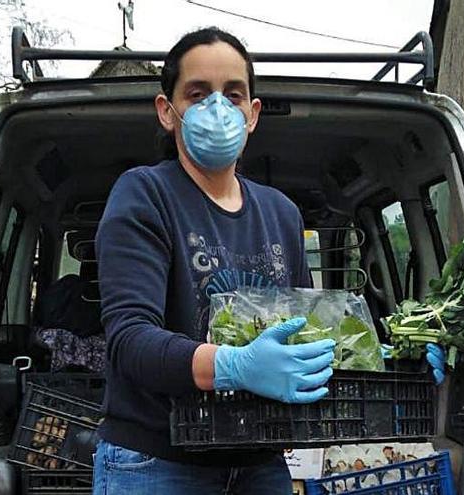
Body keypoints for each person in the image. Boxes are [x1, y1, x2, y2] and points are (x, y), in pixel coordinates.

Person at [92, 27, 336, 494]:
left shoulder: (282, 213)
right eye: (198, 93)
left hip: (260, 460)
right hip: (156, 460)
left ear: (252, 114)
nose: (217, 108)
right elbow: (130, 341)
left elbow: (307, 326)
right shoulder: (145, 194)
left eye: (233, 94)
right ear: (168, 111)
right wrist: (235, 366)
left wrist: (379, 357)